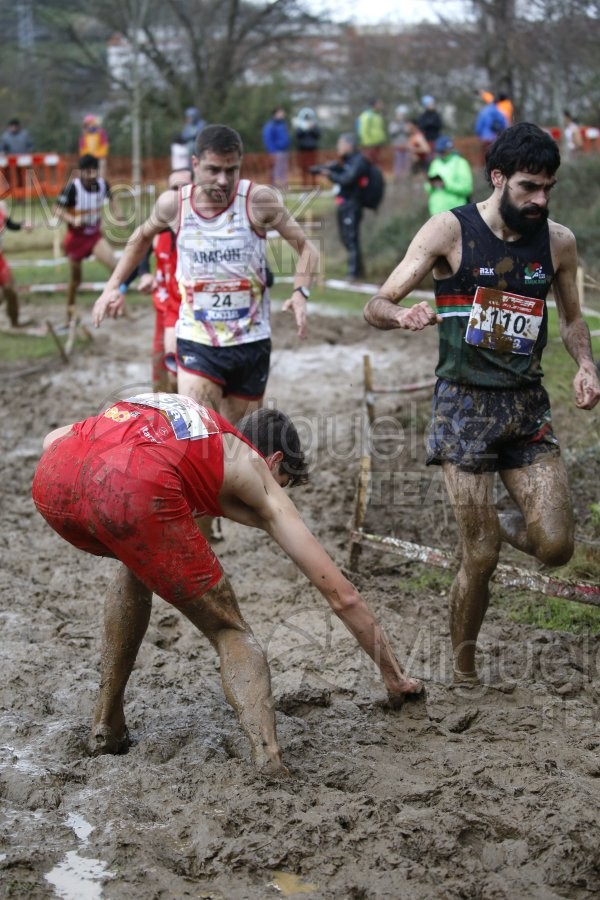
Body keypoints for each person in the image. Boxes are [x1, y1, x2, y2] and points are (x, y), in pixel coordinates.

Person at [32, 398, 422, 772]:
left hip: (55, 483)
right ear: (274, 461)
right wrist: (394, 676)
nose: (276, 494)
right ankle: (269, 760)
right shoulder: (254, 468)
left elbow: (53, 440)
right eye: (282, 483)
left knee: (137, 563)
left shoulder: (190, 426)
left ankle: (107, 723)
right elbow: (342, 595)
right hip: (134, 487)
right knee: (229, 629)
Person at [363, 122, 600, 685]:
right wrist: (400, 315)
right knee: (482, 555)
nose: (540, 200)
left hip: (526, 409)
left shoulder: (558, 243)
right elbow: (377, 300)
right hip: (463, 409)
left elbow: (570, 320)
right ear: (497, 179)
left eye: (548, 188)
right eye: (528, 188)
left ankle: (499, 517)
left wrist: (588, 364)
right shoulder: (451, 230)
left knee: (556, 546)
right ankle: (465, 668)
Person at [92, 124, 318, 426]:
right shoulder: (175, 205)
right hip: (198, 340)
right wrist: (112, 286)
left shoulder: (258, 201)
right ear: (195, 164)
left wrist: (300, 293)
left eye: (231, 170)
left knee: (239, 441)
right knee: (201, 434)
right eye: (213, 170)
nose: (223, 180)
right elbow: (139, 239)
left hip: (250, 341)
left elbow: (307, 248)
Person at [137, 167, 193, 391]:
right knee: (161, 373)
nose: (179, 194)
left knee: (185, 380)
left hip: (195, 315)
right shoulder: (159, 229)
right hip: (166, 309)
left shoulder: (206, 229)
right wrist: (144, 274)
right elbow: (140, 250)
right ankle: (162, 422)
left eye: (185, 188)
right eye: (174, 188)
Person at [55, 153, 124, 324]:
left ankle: (120, 307)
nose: (91, 175)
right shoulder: (72, 188)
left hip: (94, 237)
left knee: (115, 267)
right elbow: (56, 209)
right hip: (75, 239)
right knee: (75, 281)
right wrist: (72, 219)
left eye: (94, 171)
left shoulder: (102, 184)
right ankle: (68, 313)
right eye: (88, 171)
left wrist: (118, 216)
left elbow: (112, 198)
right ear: (81, 172)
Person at [311, 132, 370, 281]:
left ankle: (353, 273)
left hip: (352, 204)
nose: (338, 147)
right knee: (346, 238)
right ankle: (357, 271)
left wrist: (329, 175)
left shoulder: (358, 161)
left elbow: (347, 179)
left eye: (341, 144)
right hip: (344, 204)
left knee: (351, 238)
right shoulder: (347, 161)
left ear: (348, 145)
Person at [0, 198, 33, 328]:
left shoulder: (1, 207)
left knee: (11, 290)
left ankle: (15, 322)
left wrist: (22, 225)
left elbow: (8, 224)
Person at [425, 136, 473, 215]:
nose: (441, 154)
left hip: (456, 214)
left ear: (450, 149)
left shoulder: (460, 163)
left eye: (443, 151)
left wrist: (445, 185)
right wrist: (431, 185)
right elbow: (427, 186)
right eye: (439, 151)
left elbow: (467, 188)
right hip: (435, 213)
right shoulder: (435, 163)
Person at [262, 108, 291, 189]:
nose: (282, 114)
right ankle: (276, 187)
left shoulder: (282, 124)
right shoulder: (271, 125)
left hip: (284, 150)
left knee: (283, 170)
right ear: (275, 114)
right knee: (276, 170)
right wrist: (272, 151)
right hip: (276, 151)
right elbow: (268, 139)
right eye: (280, 113)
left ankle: (283, 187)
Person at [475, 91, 507, 164]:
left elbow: (479, 124)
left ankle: (483, 171)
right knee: (493, 155)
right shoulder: (498, 111)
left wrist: (478, 134)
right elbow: (503, 123)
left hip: (484, 137)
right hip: (494, 137)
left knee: (483, 155)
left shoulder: (484, 111)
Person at [294, 107, 321, 187]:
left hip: (312, 150)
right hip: (303, 150)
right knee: (303, 168)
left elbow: (318, 135)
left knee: (313, 168)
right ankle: (304, 184)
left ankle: (314, 184)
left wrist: (311, 128)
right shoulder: (300, 126)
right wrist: (304, 128)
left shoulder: (314, 126)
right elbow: (297, 135)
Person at [78, 115, 110, 179]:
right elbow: (82, 149)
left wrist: (97, 154)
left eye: (89, 124)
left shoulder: (101, 133)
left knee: (101, 170)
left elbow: (105, 146)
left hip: (99, 158)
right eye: (86, 125)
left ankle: (101, 182)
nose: (88, 126)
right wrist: (88, 155)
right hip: (87, 158)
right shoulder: (83, 135)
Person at [356, 98, 386, 164]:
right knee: (369, 162)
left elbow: (380, 129)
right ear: (374, 104)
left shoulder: (378, 115)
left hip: (377, 143)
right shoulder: (367, 115)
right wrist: (367, 143)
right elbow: (363, 130)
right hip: (369, 144)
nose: (381, 105)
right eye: (379, 103)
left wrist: (382, 140)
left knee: (375, 163)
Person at [389, 104, 410, 182]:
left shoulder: (407, 123)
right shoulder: (393, 123)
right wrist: (399, 127)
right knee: (398, 162)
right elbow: (392, 132)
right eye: (400, 114)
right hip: (397, 146)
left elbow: (408, 131)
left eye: (403, 115)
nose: (402, 116)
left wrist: (404, 127)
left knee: (406, 162)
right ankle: (397, 177)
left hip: (406, 146)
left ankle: (406, 177)